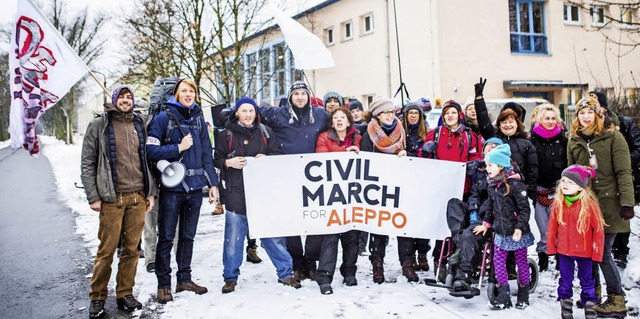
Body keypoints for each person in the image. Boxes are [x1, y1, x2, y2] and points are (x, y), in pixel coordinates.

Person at [81, 86, 158, 318]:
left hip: (138, 197)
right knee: (106, 250)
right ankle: (97, 297)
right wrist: (93, 196)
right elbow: (88, 162)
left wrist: (150, 192)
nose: (126, 101)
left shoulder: (139, 124)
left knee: (131, 250)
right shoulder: (99, 125)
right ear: (113, 101)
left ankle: (125, 293)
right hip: (111, 198)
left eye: (129, 97)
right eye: (121, 97)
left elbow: (147, 161)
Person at [214, 97, 301, 293]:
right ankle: (230, 277)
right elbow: (216, 160)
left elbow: (278, 155)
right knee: (233, 239)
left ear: (255, 113)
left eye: (251, 111)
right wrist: (228, 163)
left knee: (273, 237)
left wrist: (267, 158)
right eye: (244, 111)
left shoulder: (265, 132)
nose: (248, 115)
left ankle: (285, 274)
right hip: (236, 194)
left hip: (263, 196)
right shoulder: (225, 135)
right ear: (237, 113)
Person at [146, 78, 220, 303]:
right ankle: (164, 285)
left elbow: (207, 152)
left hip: (196, 188)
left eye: (191, 91)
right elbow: (149, 150)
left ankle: (184, 279)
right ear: (176, 94)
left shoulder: (199, 119)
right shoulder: (163, 118)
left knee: (188, 237)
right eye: (184, 91)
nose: (188, 94)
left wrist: (213, 184)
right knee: (166, 237)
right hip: (172, 188)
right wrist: (177, 148)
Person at [566, 95, 633, 318]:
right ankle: (591, 293)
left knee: (602, 253)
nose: (585, 117)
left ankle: (616, 299)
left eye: (589, 112)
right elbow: (571, 175)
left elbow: (624, 172)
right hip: (585, 206)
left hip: (611, 204)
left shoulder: (614, 137)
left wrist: (626, 202)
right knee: (587, 252)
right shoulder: (574, 140)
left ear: (598, 113)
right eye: (581, 113)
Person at [258, 81, 328, 282]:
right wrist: (233, 112)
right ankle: (296, 263)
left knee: (315, 221)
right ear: (290, 97)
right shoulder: (278, 114)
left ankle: (310, 263)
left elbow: (341, 128)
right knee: (291, 223)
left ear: (308, 96)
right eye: (295, 93)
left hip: (314, 179)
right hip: (286, 177)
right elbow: (253, 113)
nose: (299, 97)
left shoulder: (321, 114)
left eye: (303, 93)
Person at [473, 144, 534, 310]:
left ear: (501, 166)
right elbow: (491, 208)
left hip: (516, 232)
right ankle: (504, 296)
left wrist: (520, 227)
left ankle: (523, 294)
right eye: (487, 165)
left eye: (490, 165)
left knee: (521, 263)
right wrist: (486, 223)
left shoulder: (516, 185)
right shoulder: (493, 185)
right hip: (500, 232)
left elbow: (524, 209)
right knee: (498, 263)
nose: (487, 169)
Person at [359, 96, 410, 283]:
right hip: (378, 187)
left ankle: (407, 262)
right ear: (377, 115)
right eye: (385, 112)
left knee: (403, 226)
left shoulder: (402, 132)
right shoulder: (368, 135)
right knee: (379, 227)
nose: (389, 116)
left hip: (399, 185)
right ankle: (377, 263)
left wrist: (406, 154)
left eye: (391, 112)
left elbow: (412, 155)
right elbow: (365, 159)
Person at [313, 107, 362, 294]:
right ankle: (324, 276)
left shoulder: (358, 138)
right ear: (332, 122)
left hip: (353, 195)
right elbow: (322, 159)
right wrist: (345, 151)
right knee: (331, 236)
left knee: (352, 237)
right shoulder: (324, 137)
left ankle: (349, 271)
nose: (339, 120)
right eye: (336, 118)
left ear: (349, 122)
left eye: (343, 117)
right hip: (332, 194)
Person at [547, 165, 605, 319]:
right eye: (564, 181)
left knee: (587, 280)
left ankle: (589, 304)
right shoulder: (558, 203)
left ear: (581, 186)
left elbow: (598, 231)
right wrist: (551, 248)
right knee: (565, 280)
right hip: (564, 251)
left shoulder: (589, 205)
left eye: (570, 182)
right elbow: (552, 228)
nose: (565, 184)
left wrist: (597, 253)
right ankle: (565, 305)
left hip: (584, 252)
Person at [590, 91, 640, 269]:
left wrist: (620, 160)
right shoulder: (589, 127)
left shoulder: (624, 123)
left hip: (623, 173)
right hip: (601, 178)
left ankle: (621, 251)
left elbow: (637, 148)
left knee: (622, 211)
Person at [450, 137, 502, 293]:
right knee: (454, 204)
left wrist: (485, 220)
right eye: (489, 147)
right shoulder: (481, 171)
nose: (492, 149)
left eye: (496, 147)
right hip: (478, 214)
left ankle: (463, 275)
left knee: (469, 234)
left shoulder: (504, 173)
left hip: (492, 220)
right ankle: (461, 245)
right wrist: (473, 210)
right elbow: (474, 194)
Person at [529, 104, 567, 272]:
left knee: (558, 226)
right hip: (539, 190)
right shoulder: (533, 141)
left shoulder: (563, 141)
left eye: (553, 118)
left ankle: (560, 255)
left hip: (558, 190)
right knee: (543, 226)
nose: (550, 121)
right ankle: (543, 254)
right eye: (547, 118)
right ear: (540, 120)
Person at [399, 102, 432, 272]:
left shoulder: (426, 134)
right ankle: (407, 257)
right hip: (403, 183)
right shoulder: (400, 134)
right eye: (410, 113)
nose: (413, 116)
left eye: (416, 113)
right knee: (404, 221)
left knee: (421, 221)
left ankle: (422, 254)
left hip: (421, 183)